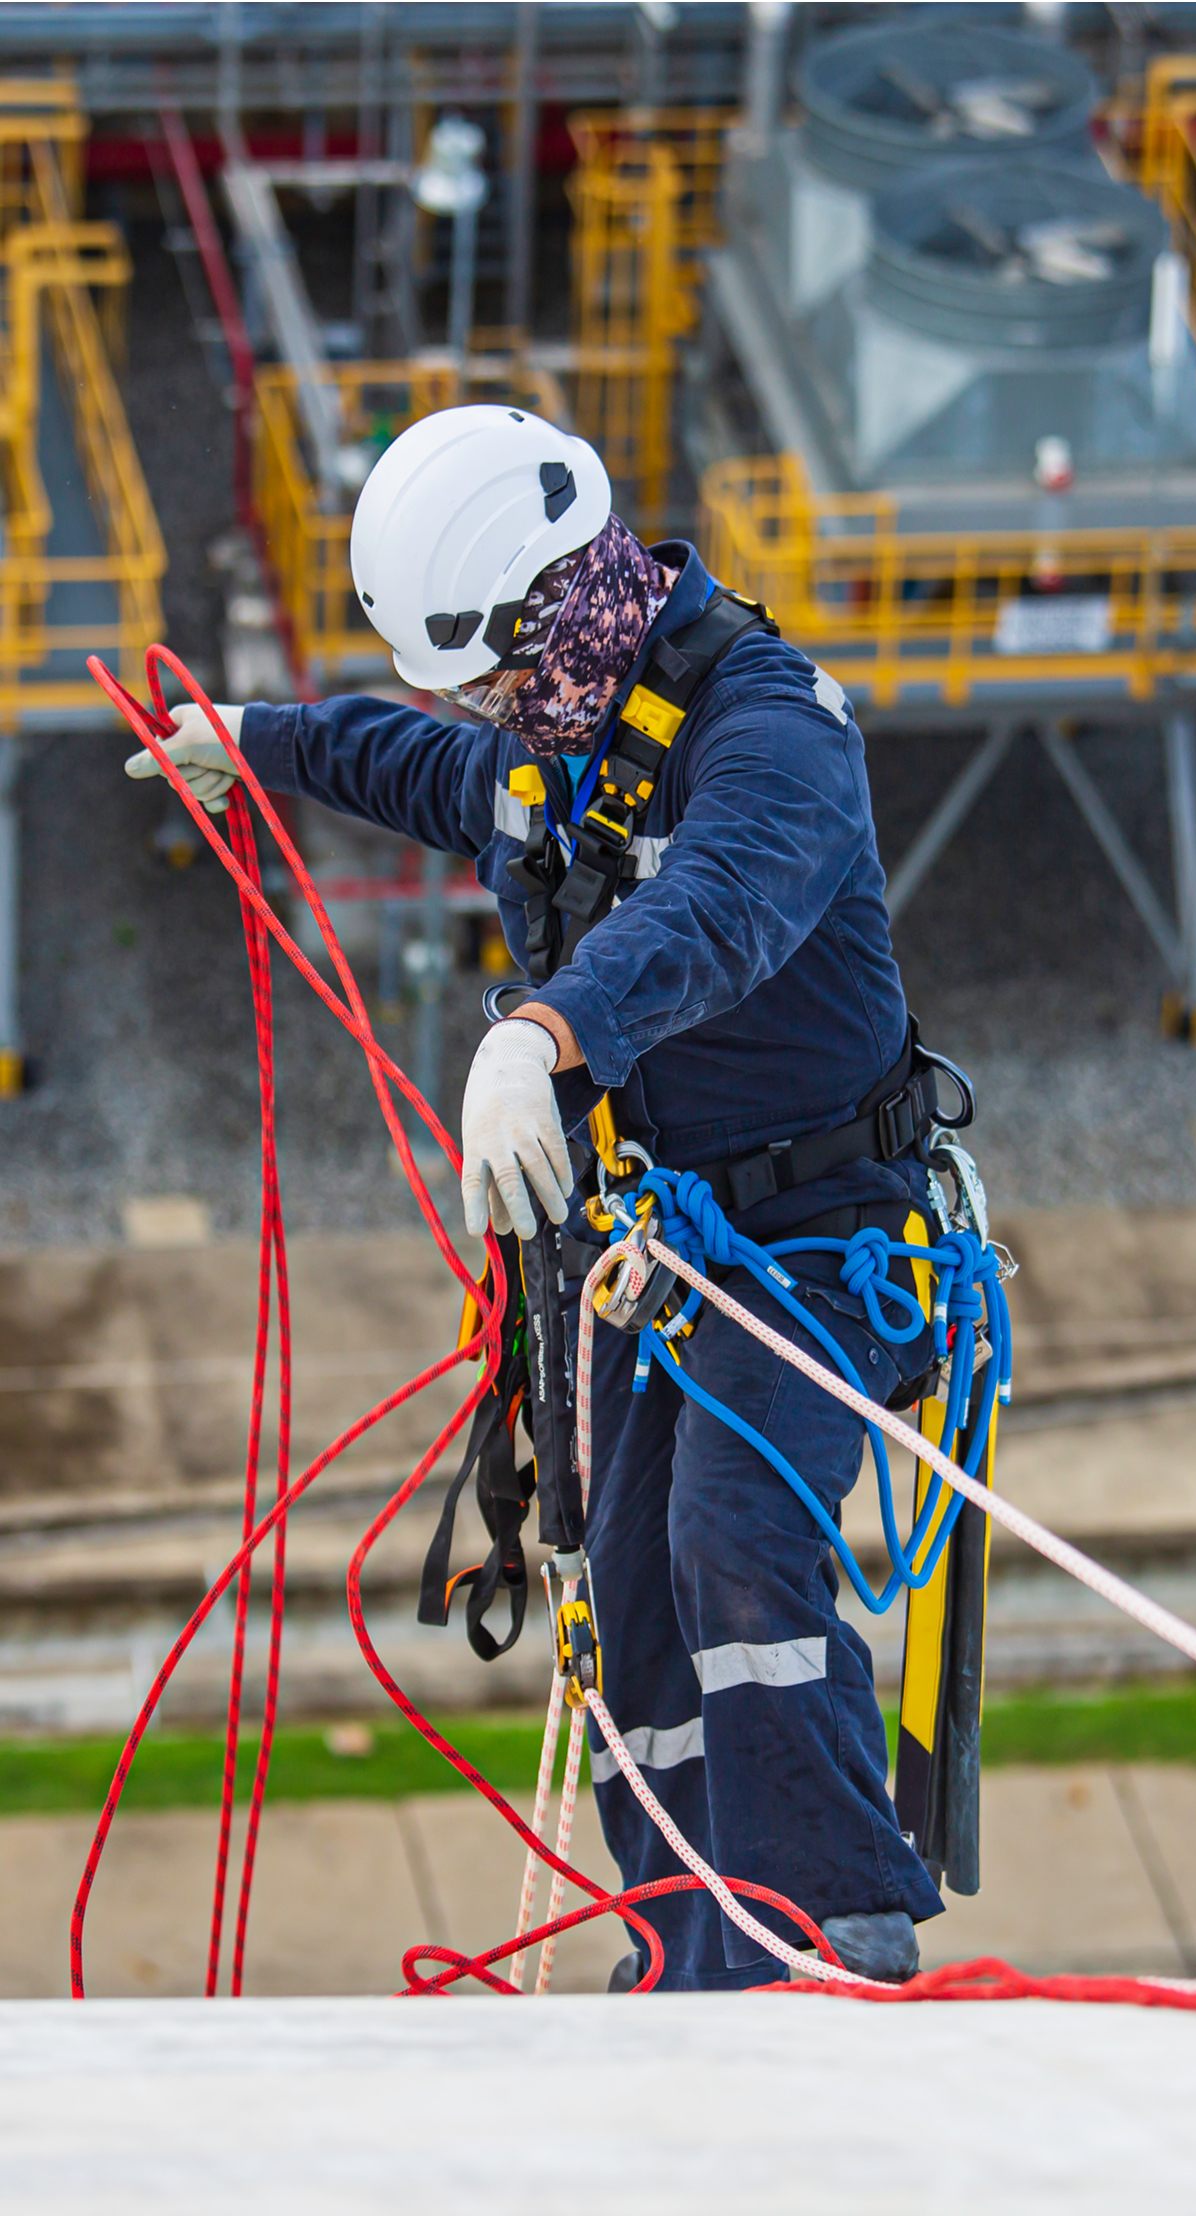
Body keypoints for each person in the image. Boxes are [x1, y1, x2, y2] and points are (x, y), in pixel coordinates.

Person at [125, 404, 950, 1992]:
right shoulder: (558, 733)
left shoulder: (771, 735)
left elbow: (719, 905)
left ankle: (840, 1924)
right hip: (655, 1247)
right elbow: (429, 767)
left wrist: (549, 1033)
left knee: (735, 1529)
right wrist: (262, 742)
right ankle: (685, 1940)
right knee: (630, 1584)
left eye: (503, 679)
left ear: (557, 607)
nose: (499, 716)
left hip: (819, 1235)